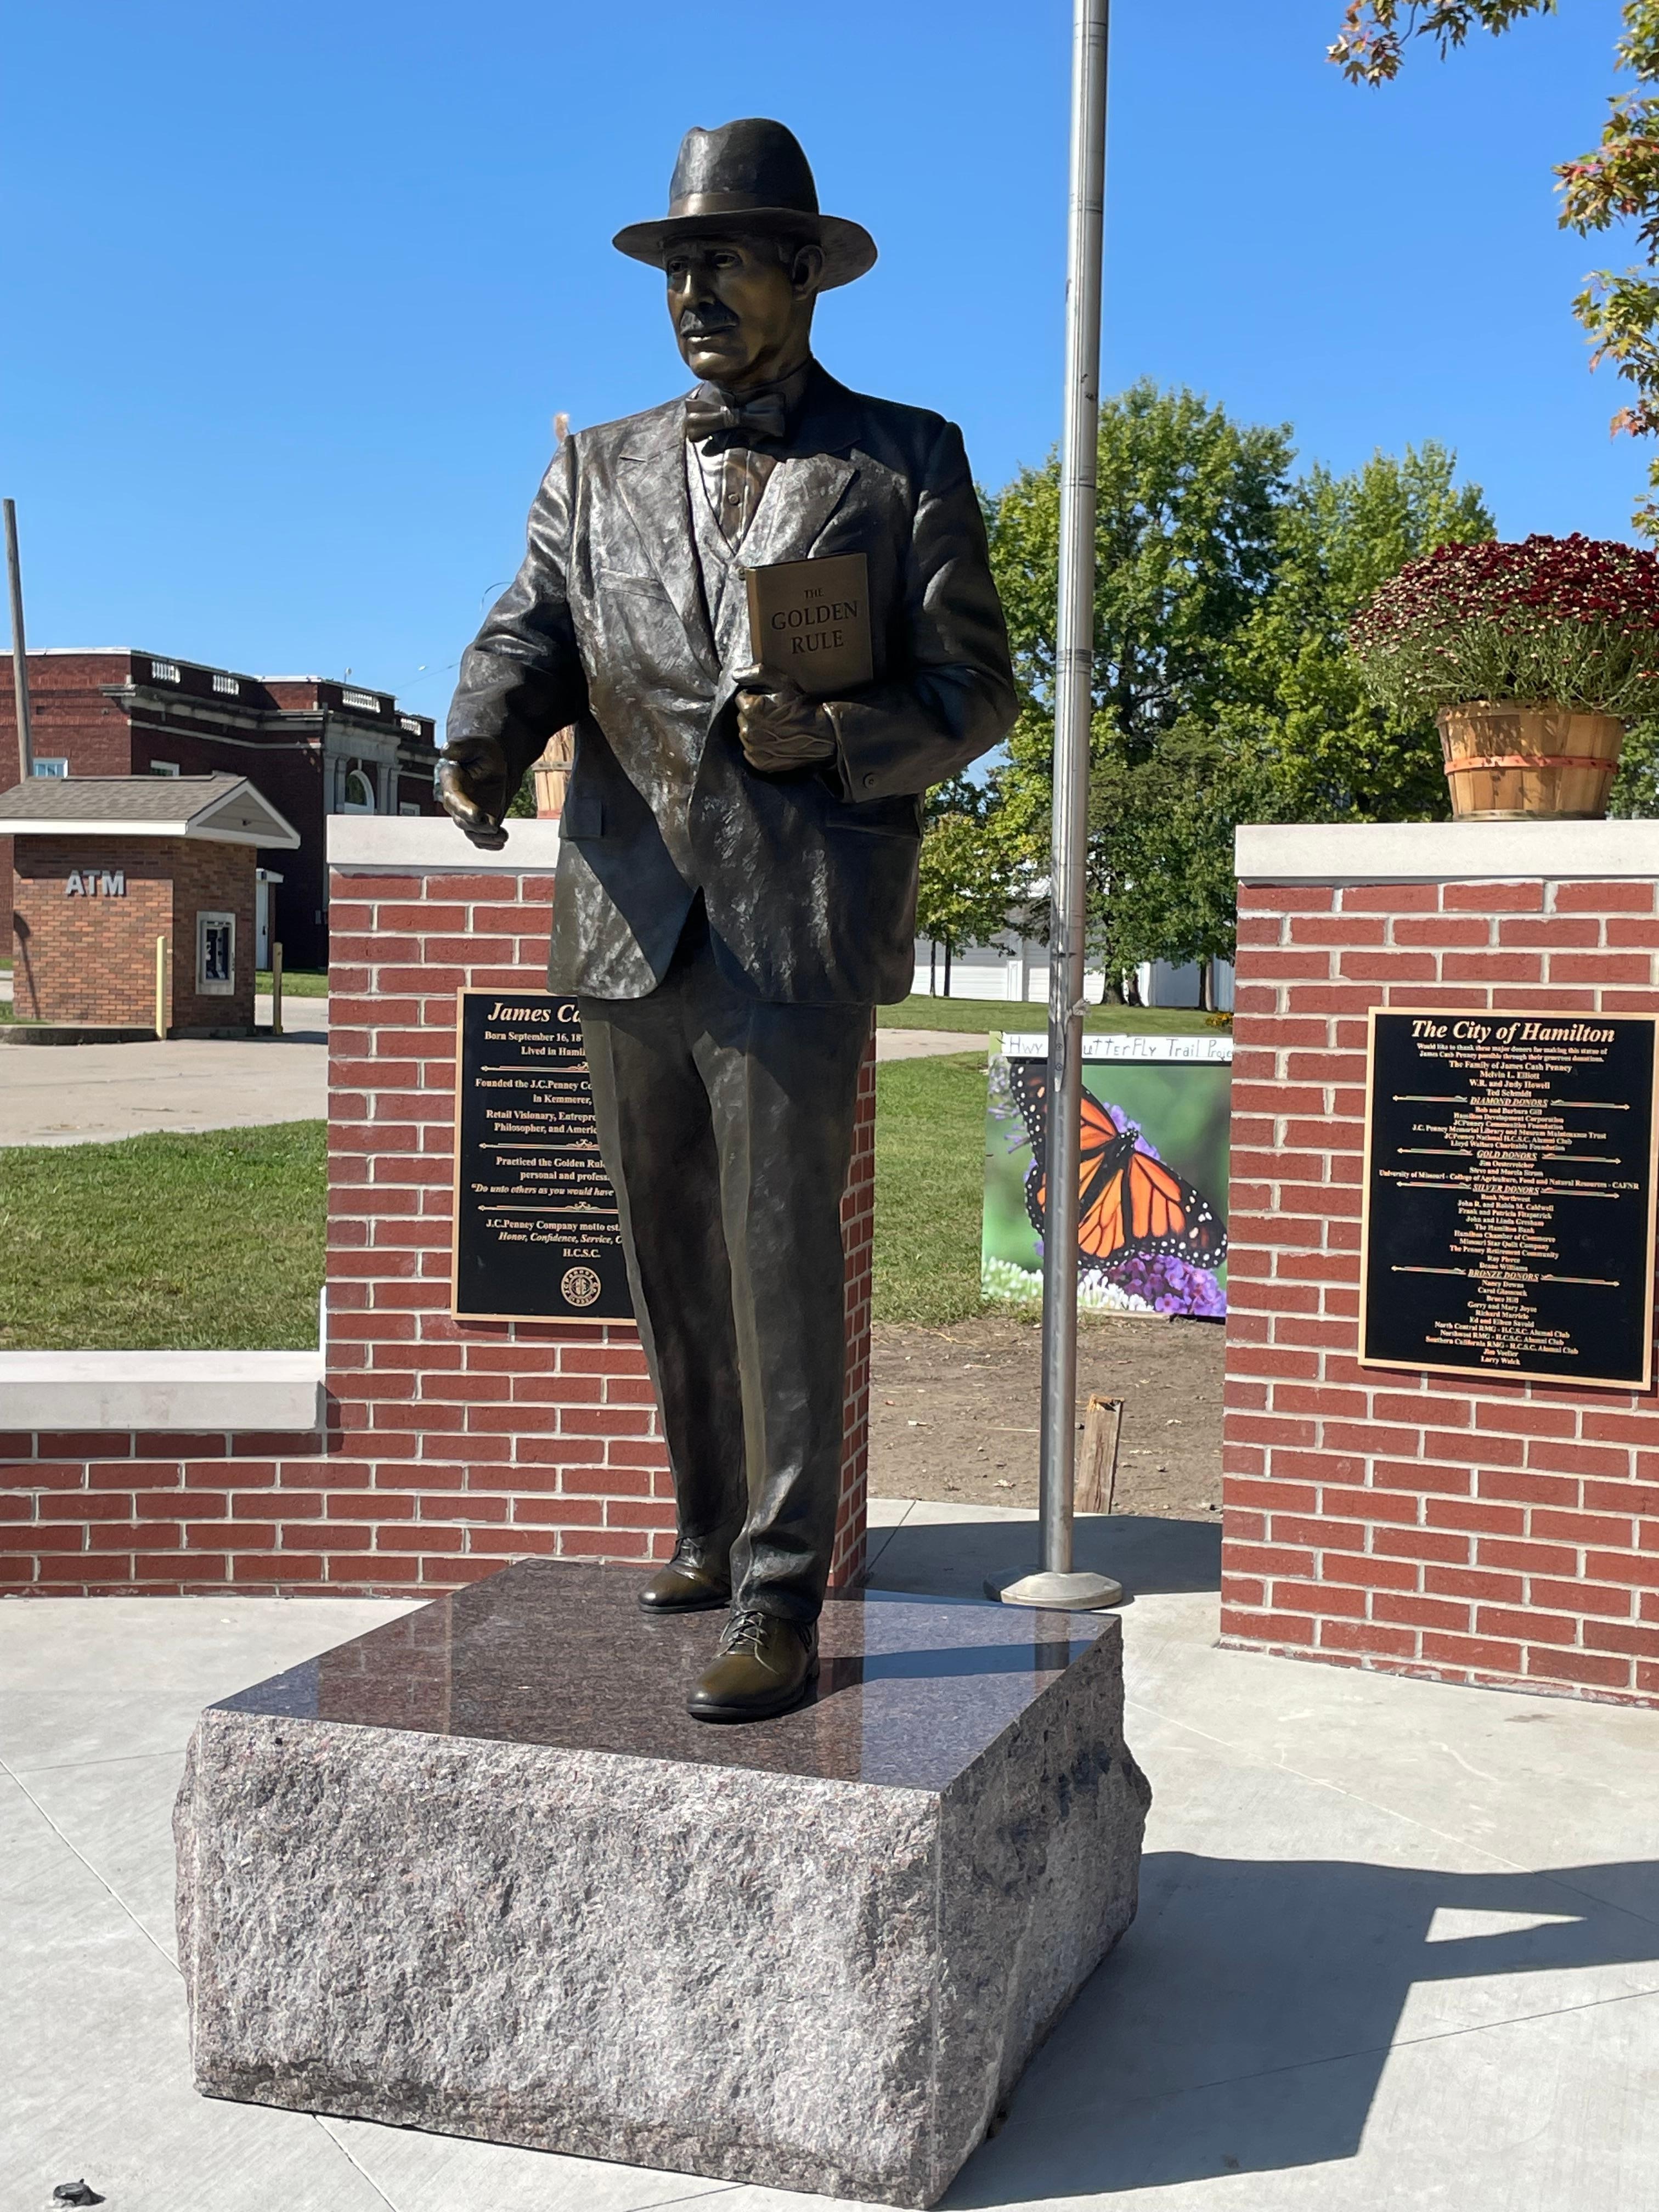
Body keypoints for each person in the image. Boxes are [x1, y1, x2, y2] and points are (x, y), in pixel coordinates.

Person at [438, 117, 1015, 1720]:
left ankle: (780, 1590)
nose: (694, 290)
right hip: (630, 916)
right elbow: (529, 632)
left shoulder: (904, 460)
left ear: (805, 277)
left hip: (793, 920)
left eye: (726, 259)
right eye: (677, 264)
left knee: (777, 1262)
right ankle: (702, 1526)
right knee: (666, 1256)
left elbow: (979, 691)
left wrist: (838, 739)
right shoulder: (595, 464)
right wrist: (480, 732)